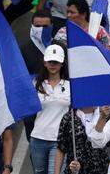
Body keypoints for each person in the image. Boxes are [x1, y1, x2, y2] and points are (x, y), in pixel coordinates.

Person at [31, 45, 71, 174]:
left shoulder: (71, 85)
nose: (53, 65)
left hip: (59, 140)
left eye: (56, 62)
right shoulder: (35, 83)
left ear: (62, 63)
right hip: (38, 137)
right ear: (45, 62)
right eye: (50, 61)